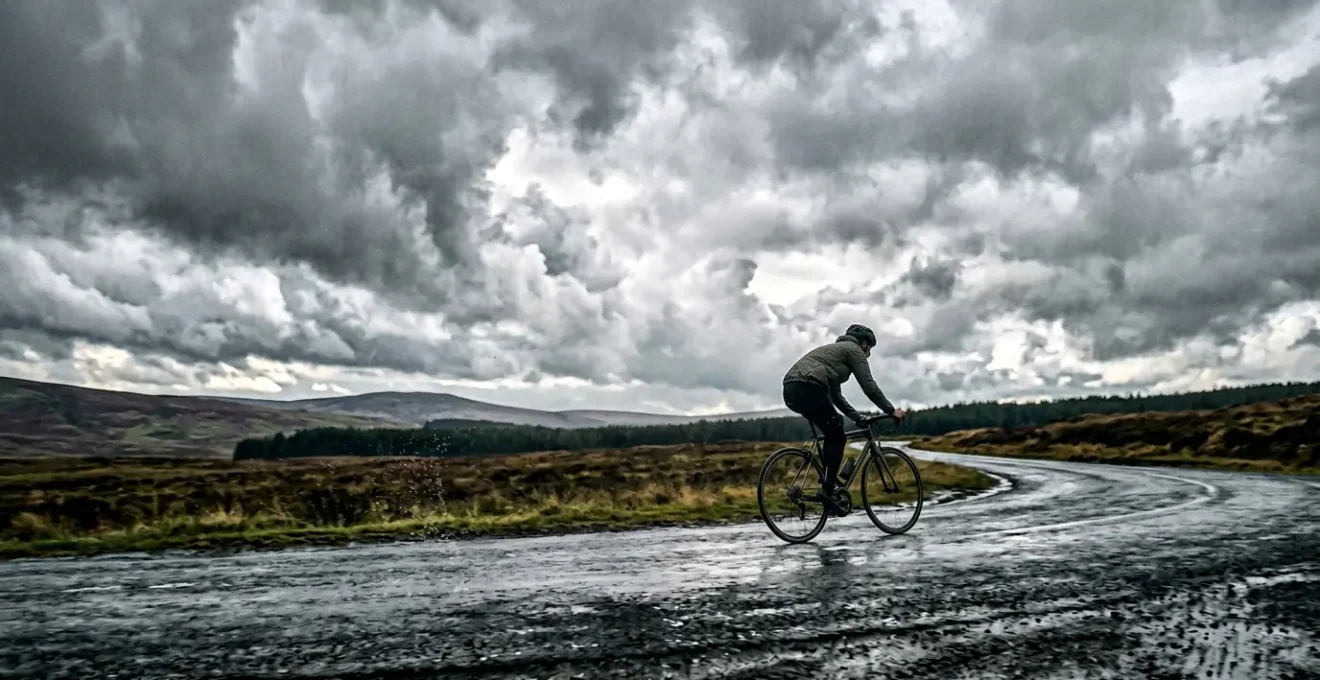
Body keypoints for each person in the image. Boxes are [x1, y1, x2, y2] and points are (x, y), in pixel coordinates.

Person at [781, 324, 905, 516]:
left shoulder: (835, 355)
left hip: (791, 389)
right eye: (869, 348)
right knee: (837, 433)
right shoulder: (853, 350)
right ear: (864, 344)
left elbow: (837, 398)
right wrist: (891, 410)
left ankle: (827, 482)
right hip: (808, 386)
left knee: (833, 429)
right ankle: (827, 490)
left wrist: (858, 418)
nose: (869, 354)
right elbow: (869, 386)